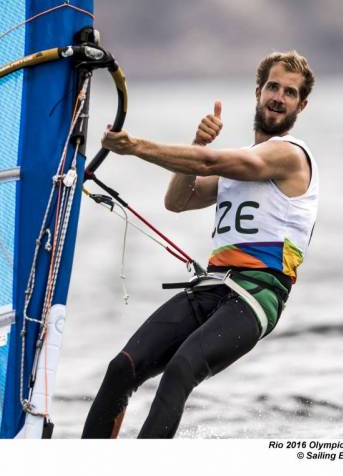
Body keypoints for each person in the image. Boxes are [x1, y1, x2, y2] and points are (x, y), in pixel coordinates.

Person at [81, 51, 318, 438]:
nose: (279, 97)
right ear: (258, 92)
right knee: (122, 368)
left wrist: (136, 146)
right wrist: (196, 144)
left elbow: (208, 163)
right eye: (273, 87)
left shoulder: (290, 155)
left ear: (301, 105)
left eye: (290, 93)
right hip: (213, 287)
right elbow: (178, 200)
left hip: (256, 297)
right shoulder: (239, 164)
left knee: (181, 370)